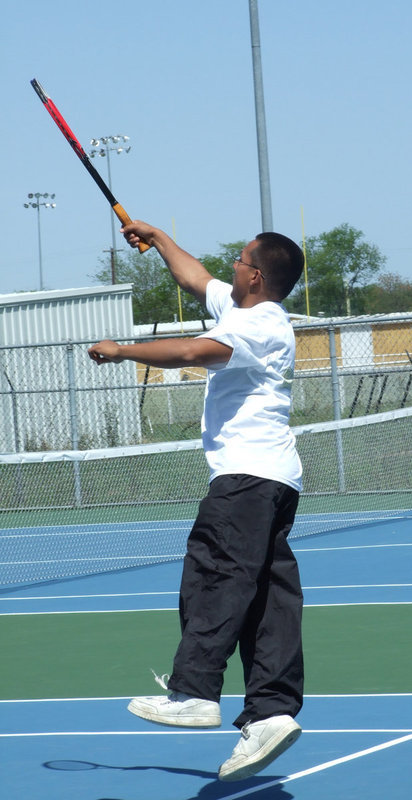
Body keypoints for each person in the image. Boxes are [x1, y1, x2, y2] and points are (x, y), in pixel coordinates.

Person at [88, 222, 306, 782]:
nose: (230, 265)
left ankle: (194, 692)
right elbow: (195, 278)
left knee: (214, 576)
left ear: (256, 275)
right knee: (266, 597)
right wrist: (157, 237)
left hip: (245, 481)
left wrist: (122, 351)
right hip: (274, 481)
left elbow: (194, 349)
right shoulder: (242, 308)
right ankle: (271, 712)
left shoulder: (258, 325)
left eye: (239, 259)